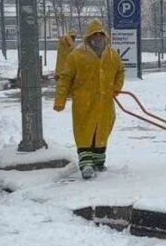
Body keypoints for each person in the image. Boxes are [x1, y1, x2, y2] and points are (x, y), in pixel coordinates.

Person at [53, 20, 125, 180]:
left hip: (105, 103)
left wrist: (116, 87)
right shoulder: (77, 56)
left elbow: (120, 71)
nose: (98, 39)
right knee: (85, 133)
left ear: (105, 37)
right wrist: (60, 100)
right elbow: (65, 78)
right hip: (83, 103)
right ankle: (86, 164)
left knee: (102, 132)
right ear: (88, 37)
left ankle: (98, 163)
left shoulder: (112, 55)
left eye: (101, 35)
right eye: (94, 35)